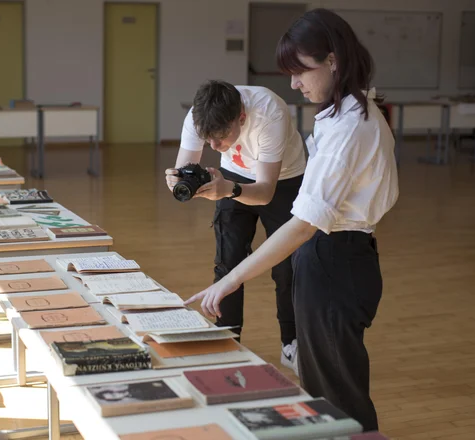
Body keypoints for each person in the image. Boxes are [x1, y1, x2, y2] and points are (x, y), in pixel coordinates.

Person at [184, 8, 399, 433]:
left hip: (336, 261)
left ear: (333, 60)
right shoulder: (345, 115)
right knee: (328, 391)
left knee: (342, 397)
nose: (295, 83)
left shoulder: (350, 128)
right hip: (332, 258)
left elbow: (302, 224)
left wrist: (228, 282)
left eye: (301, 71)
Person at [166, 80, 306, 374]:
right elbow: (183, 171)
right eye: (208, 141)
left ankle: (290, 344)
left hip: (283, 180)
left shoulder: (270, 113)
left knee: (286, 266)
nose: (215, 147)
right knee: (228, 261)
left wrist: (229, 190)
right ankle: (227, 342)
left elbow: (265, 191)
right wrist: (177, 183)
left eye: (220, 138)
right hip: (232, 175)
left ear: (241, 117)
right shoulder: (198, 116)